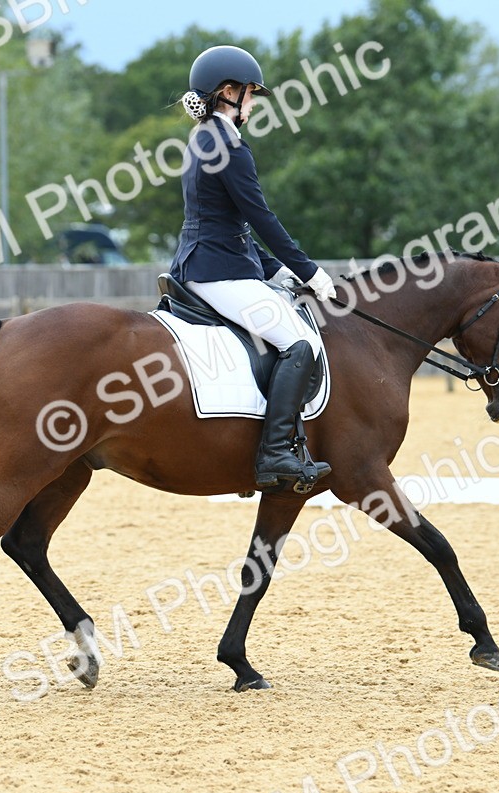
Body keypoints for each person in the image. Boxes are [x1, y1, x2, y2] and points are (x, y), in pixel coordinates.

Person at [169, 44, 337, 489]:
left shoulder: (202, 139)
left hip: (207, 263)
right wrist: (308, 271)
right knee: (300, 342)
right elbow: (261, 217)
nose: (253, 102)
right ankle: (275, 454)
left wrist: (271, 270)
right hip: (216, 272)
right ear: (227, 92)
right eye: (250, 93)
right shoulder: (229, 146)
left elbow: (225, 222)